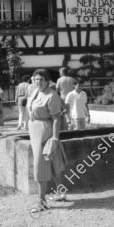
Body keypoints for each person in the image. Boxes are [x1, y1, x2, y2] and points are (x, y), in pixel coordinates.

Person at [27, 69, 66, 208]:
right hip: (34, 130)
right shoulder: (35, 91)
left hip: (45, 131)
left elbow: (57, 119)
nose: (38, 82)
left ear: (48, 80)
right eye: (36, 79)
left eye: (41, 79)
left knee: (41, 165)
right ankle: (61, 193)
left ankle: (42, 201)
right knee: (51, 162)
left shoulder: (51, 95)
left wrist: (55, 138)